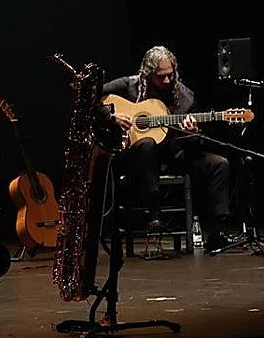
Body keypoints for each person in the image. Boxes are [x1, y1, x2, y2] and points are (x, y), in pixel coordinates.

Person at [101, 44, 237, 254]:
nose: (166, 81)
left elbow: (192, 144)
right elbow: (90, 97)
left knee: (219, 164)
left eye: (170, 75)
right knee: (146, 145)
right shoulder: (128, 86)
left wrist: (192, 132)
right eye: (160, 77)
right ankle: (154, 213)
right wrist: (111, 115)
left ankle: (217, 233)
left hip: (175, 154)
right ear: (147, 75)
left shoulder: (185, 97)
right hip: (137, 158)